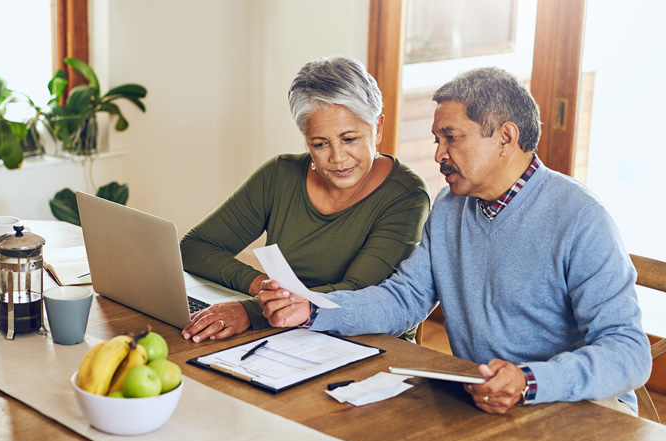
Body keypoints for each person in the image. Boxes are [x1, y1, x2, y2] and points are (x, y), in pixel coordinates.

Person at [258, 66, 652, 415]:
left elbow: (629, 354)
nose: (438, 155)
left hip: (581, 410)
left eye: (451, 138)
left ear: (505, 137)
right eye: (436, 140)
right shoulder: (450, 207)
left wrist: (530, 381)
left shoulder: (581, 218)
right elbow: (404, 299)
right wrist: (312, 309)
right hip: (486, 402)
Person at [180, 56, 431, 343]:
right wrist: (262, 287)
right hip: (285, 337)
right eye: (320, 144)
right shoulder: (280, 175)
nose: (338, 158)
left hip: (366, 344)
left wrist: (251, 312)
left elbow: (359, 292)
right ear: (305, 138)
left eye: (350, 139)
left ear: (378, 128)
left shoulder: (406, 195)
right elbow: (194, 248)